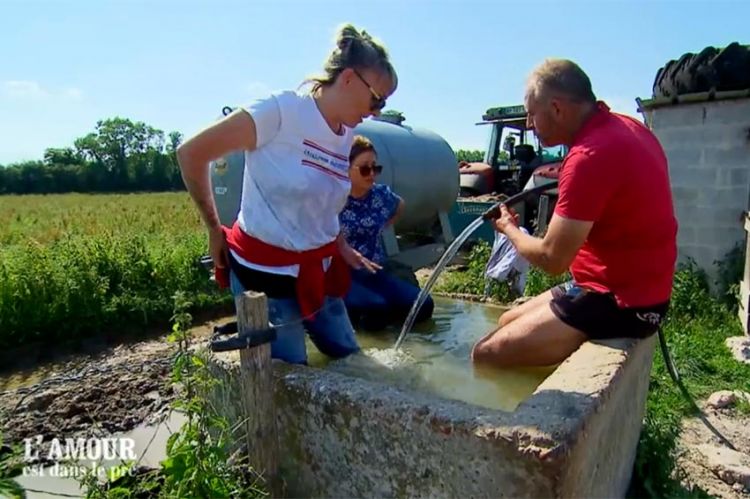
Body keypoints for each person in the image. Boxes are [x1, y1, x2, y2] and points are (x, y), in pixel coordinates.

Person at [176, 24, 397, 365]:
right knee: (288, 378)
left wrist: (339, 244)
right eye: (376, 99)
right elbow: (191, 153)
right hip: (265, 274)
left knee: (353, 363)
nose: (377, 111)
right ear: (350, 78)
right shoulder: (280, 112)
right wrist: (213, 228)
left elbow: (322, 200)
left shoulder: (347, 133)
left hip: (318, 270)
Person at [471, 58, 678, 368]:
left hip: (622, 301)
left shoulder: (588, 156)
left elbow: (553, 259)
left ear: (556, 109)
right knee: (507, 320)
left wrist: (509, 229)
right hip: (621, 284)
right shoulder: (627, 126)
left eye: (531, 115)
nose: (529, 125)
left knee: (485, 354)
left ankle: (535, 412)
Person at [339, 135, 435, 330]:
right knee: (375, 310)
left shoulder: (381, 194)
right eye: (365, 168)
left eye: (376, 167)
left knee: (423, 305)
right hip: (340, 274)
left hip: (374, 270)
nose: (372, 174)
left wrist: (385, 225)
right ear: (346, 168)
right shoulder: (333, 196)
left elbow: (400, 205)